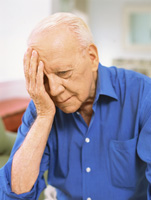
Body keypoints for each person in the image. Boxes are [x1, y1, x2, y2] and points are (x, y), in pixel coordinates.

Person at [0, 12, 151, 200]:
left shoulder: (144, 96)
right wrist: (45, 115)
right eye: (44, 79)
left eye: (63, 73)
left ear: (92, 57)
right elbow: (13, 194)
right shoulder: (42, 104)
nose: (54, 90)